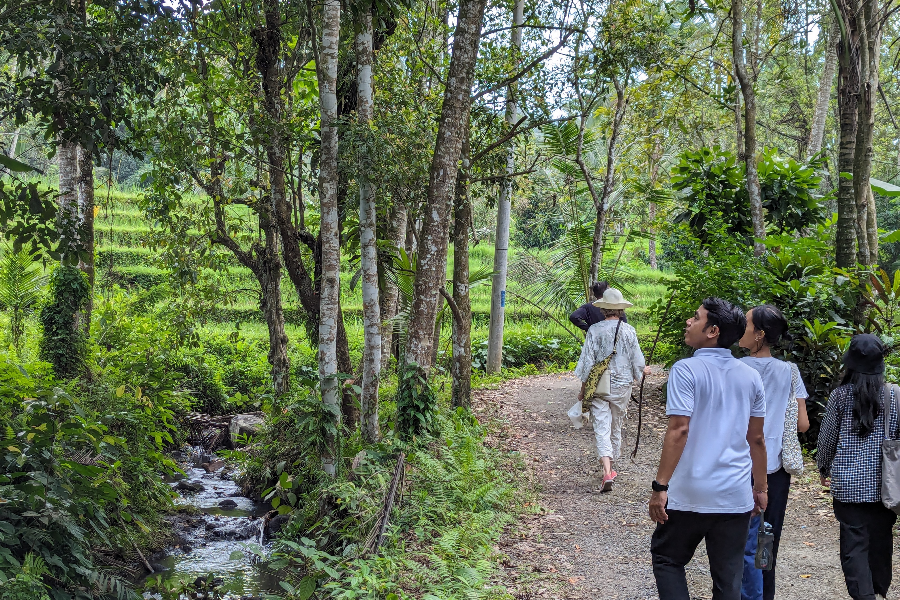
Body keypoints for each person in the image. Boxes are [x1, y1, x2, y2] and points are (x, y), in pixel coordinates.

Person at [649, 297, 768, 600]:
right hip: (734, 494)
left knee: (667, 558)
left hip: (690, 492)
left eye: (696, 318)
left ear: (713, 330)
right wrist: (760, 487)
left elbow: (679, 428)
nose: (689, 322)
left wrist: (660, 485)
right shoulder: (751, 375)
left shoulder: (686, 370)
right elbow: (756, 439)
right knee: (728, 578)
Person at [737, 305, 810, 600]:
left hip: (737, 464)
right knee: (767, 536)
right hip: (775, 469)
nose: (741, 327)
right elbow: (803, 424)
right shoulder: (790, 371)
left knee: (735, 539)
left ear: (759, 334)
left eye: (746, 323)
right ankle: (765, 594)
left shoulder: (735, 368)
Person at [817, 334, 898, 600]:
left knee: (854, 547)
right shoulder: (894, 396)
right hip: (886, 486)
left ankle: (865, 595)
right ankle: (876, 590)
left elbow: (827, 439)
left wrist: (823, 468)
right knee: (880, 542)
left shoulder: (840, 396)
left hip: (849, 488)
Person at [574, 288, 648, 492]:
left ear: (603, 309)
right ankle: (612, 467)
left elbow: (587, 364)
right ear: (621, 310)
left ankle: (607, 471)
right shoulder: (629, 330)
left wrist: (583, 390)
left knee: (601, 427)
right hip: (622, 386)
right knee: (616, 425)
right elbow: (638, 361)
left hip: (600, 385)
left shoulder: (594, 330)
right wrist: (640, 374)